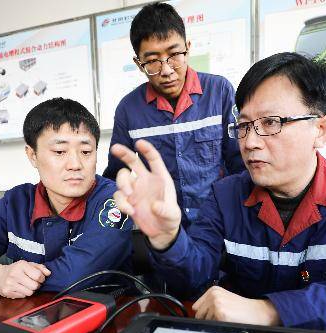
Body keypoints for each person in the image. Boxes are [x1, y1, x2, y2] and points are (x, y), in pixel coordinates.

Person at [110, 52, 326, 333]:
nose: (250, 142)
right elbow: (193, 278)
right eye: (245, 125)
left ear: (321, 130)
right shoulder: (226, 197)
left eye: (271, 123)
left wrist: (272, 310)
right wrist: (168, 238)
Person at [0, 98, 133, 298]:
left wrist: (16, 279)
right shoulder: (16, 203)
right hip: (29, 321)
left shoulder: (114, 200)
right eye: (60, 151)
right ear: (32, 155)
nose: (75, 164)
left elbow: (75, 275)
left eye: (86, 151)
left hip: (109, 319)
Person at [103, 2, 245, 227]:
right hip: (164, 226)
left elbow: (240, 162)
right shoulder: (128, 109)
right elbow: (115, 174)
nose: (167, 71)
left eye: (175, 55)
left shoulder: (220, 91)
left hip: (222, 222)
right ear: (138, 64)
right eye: (152, 62)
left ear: (188, 47)